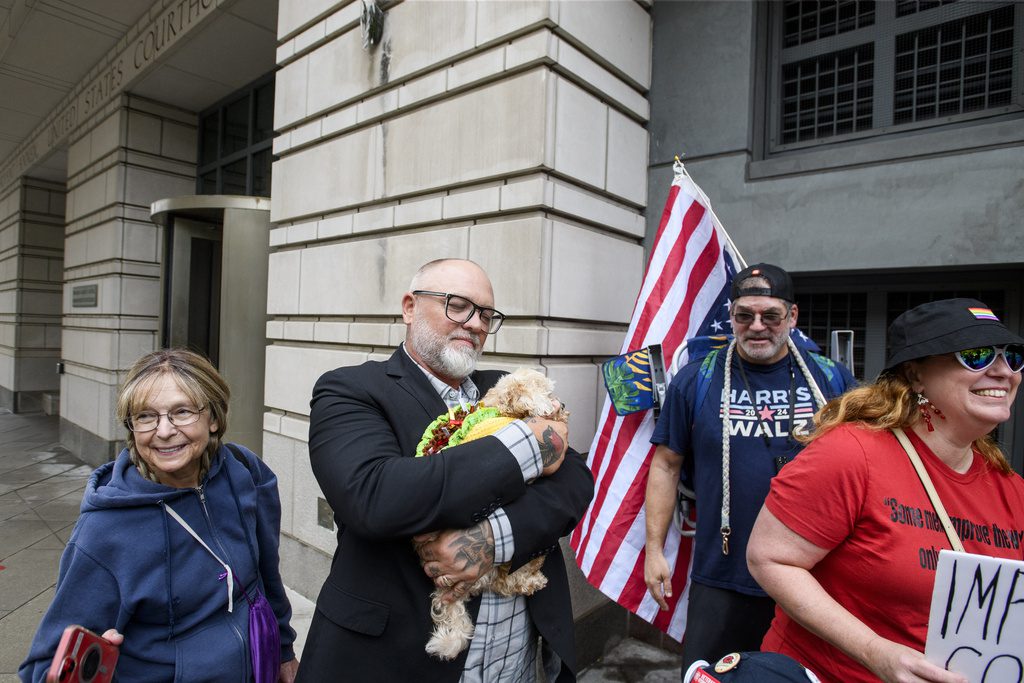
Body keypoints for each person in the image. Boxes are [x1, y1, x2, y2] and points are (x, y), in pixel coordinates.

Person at [297, 258, 594, 682]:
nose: (475, 323)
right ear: (409, 307)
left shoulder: (505, 387)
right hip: (404, 660)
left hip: (519, 658)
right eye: (458, 305)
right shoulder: (351, 389)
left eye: (486, 314)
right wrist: (535, 442)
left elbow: (577, 481)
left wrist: (492, 540)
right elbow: (376, 497)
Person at [747, 298, 1024, 683]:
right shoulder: (851, 454)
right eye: (976, 355)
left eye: (1013, 357)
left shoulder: (1011, 488)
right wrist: (874, 652)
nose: (1002, 371)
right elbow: (770, 559)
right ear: (916, 376)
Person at [20, 349, 298, 683]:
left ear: (213, 418)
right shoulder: (106, 530)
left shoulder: (244, 471)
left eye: (181, 412)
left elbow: (267, 575)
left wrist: (283, 650)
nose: (163, 431)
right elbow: (46, 663)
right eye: (146, 416)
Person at [644, 263, 855, 671]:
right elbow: (666, 466)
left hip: (811, 577)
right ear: (732, 315)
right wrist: (654, 550)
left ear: (792, 316)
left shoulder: (831, 380)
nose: (757, 326)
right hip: (721, 577)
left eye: (770, 315)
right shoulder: (695, 380)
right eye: (745, 315)